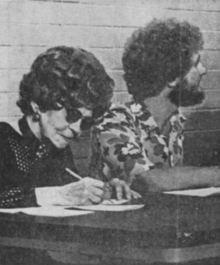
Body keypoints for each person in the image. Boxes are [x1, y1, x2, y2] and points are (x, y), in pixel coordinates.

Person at [89, 18, 220, 194]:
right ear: (172, 77)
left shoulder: (174, 122)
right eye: (196, 64)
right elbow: (146, 180)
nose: (203, 70)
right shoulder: (114, 121)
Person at [0, 46, 133, 209]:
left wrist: (103, 190)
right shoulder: (4, 138)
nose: (77, 129)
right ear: (41, 103)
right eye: (72, 115)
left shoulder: (57, 148)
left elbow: (72, 191)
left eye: (86, 122)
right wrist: (58, 195)